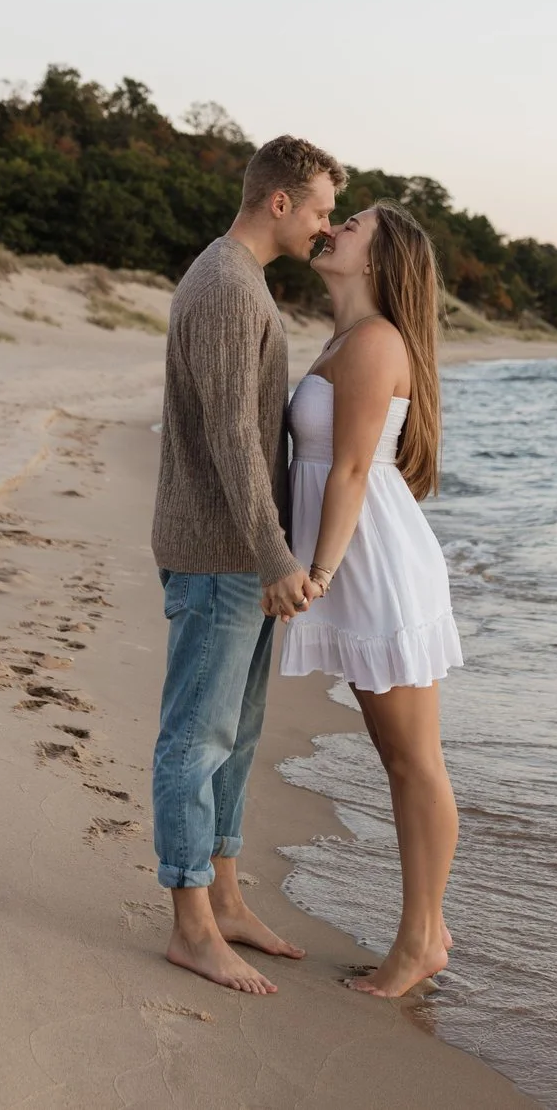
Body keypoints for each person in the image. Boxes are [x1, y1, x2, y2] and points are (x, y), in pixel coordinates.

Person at [150, 133, 346, 996]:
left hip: (235, 551)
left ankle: (224, 898)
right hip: (222, 552)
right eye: (320, 210)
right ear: (279, 201)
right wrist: (274, 554)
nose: (325, 227)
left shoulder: (239, 280)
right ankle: (191, 925)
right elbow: (234, 436)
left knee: (236, 736)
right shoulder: (227, 285)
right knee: (196, 739)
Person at [276, 201, 463, 998]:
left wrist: (313, 572)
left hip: (374, 563)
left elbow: (351, 470)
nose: (334, 227)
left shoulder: (377, 340)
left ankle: (420, 939)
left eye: (351, 223)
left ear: (380, 259)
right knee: (400, 757)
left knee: (413, 760)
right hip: (355, 558)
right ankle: (429, 929)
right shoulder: (345, 339)